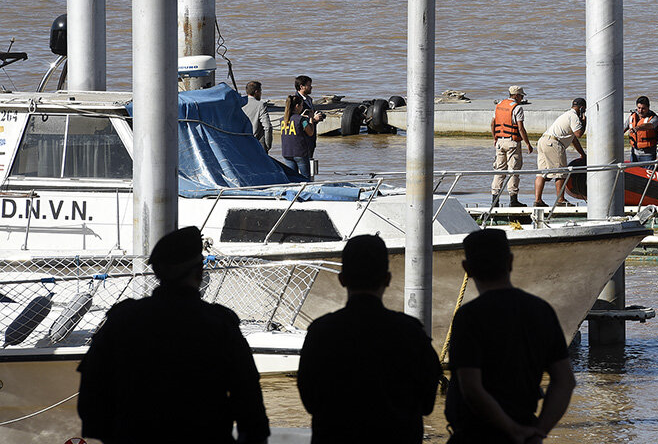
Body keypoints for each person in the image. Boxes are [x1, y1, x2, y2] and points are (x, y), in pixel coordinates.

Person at [77, 226, 269, 444]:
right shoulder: (220, 324)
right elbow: (248, 397)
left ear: (158, 273)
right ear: (199, 273)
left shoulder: (122, 320)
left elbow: (91, 395)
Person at [298, 234, 441, 444]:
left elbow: (310, 400)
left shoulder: (320, 332)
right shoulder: (411, 333)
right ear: (387, 279)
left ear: (342, 279)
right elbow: (427, 403)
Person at [445, 228, 576, 444]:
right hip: (526, 429)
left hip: (474, 435)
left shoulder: (469, 317)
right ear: (511, 262)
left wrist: (511, 430)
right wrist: (539, 431)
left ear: (467, 268)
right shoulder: (541, 310)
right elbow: (565, 381)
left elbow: (471, 388)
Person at [534, 98, 587, 207]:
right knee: (561, 172)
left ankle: (538, 200)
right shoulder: (574, 117)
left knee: (542, 173)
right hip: (554, 143)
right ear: (582, 108)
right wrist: (584, 122)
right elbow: (578, 134)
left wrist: (582, 154)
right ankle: (561, 200)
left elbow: (574, 140)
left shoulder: (566, 115)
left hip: (543, 141)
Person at [490, 85, 534, 208]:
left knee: (499, 171)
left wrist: (495, 137)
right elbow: (520, 128)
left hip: (500, 142)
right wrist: (528, 144)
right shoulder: (517, 108)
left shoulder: (499, 105)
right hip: (512, 143)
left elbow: (492, 123)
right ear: (516, 95)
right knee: (513, 171)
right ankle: (513, 200)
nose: (521, 99)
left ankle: (495, 201)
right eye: (521, 96)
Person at [280, 93, 321, 178]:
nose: (302, 107)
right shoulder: (302, 120)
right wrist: (311, 119)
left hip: (287, 152)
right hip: (299, 152)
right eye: (302, 105)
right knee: (305, 178)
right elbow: (310, 132)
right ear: (297, 106)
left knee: (292, 178)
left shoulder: (282, 120)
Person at [623, 95, 658, 163]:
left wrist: (637, 128)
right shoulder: (632, 117)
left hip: (648, 155)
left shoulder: (654, 118)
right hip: (634, 153)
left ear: (648, 107)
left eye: (643, 108)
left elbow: (649, 125)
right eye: (639, 108)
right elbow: (623, 128)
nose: (640, 111)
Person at [242, 80, 273, 152]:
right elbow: (267, 127)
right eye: (260, 91)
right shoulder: (260, 105)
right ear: (256, 92)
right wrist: (267, 145)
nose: (261, 94)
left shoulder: (240, 103)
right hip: (257, 143)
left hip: (242, 142)